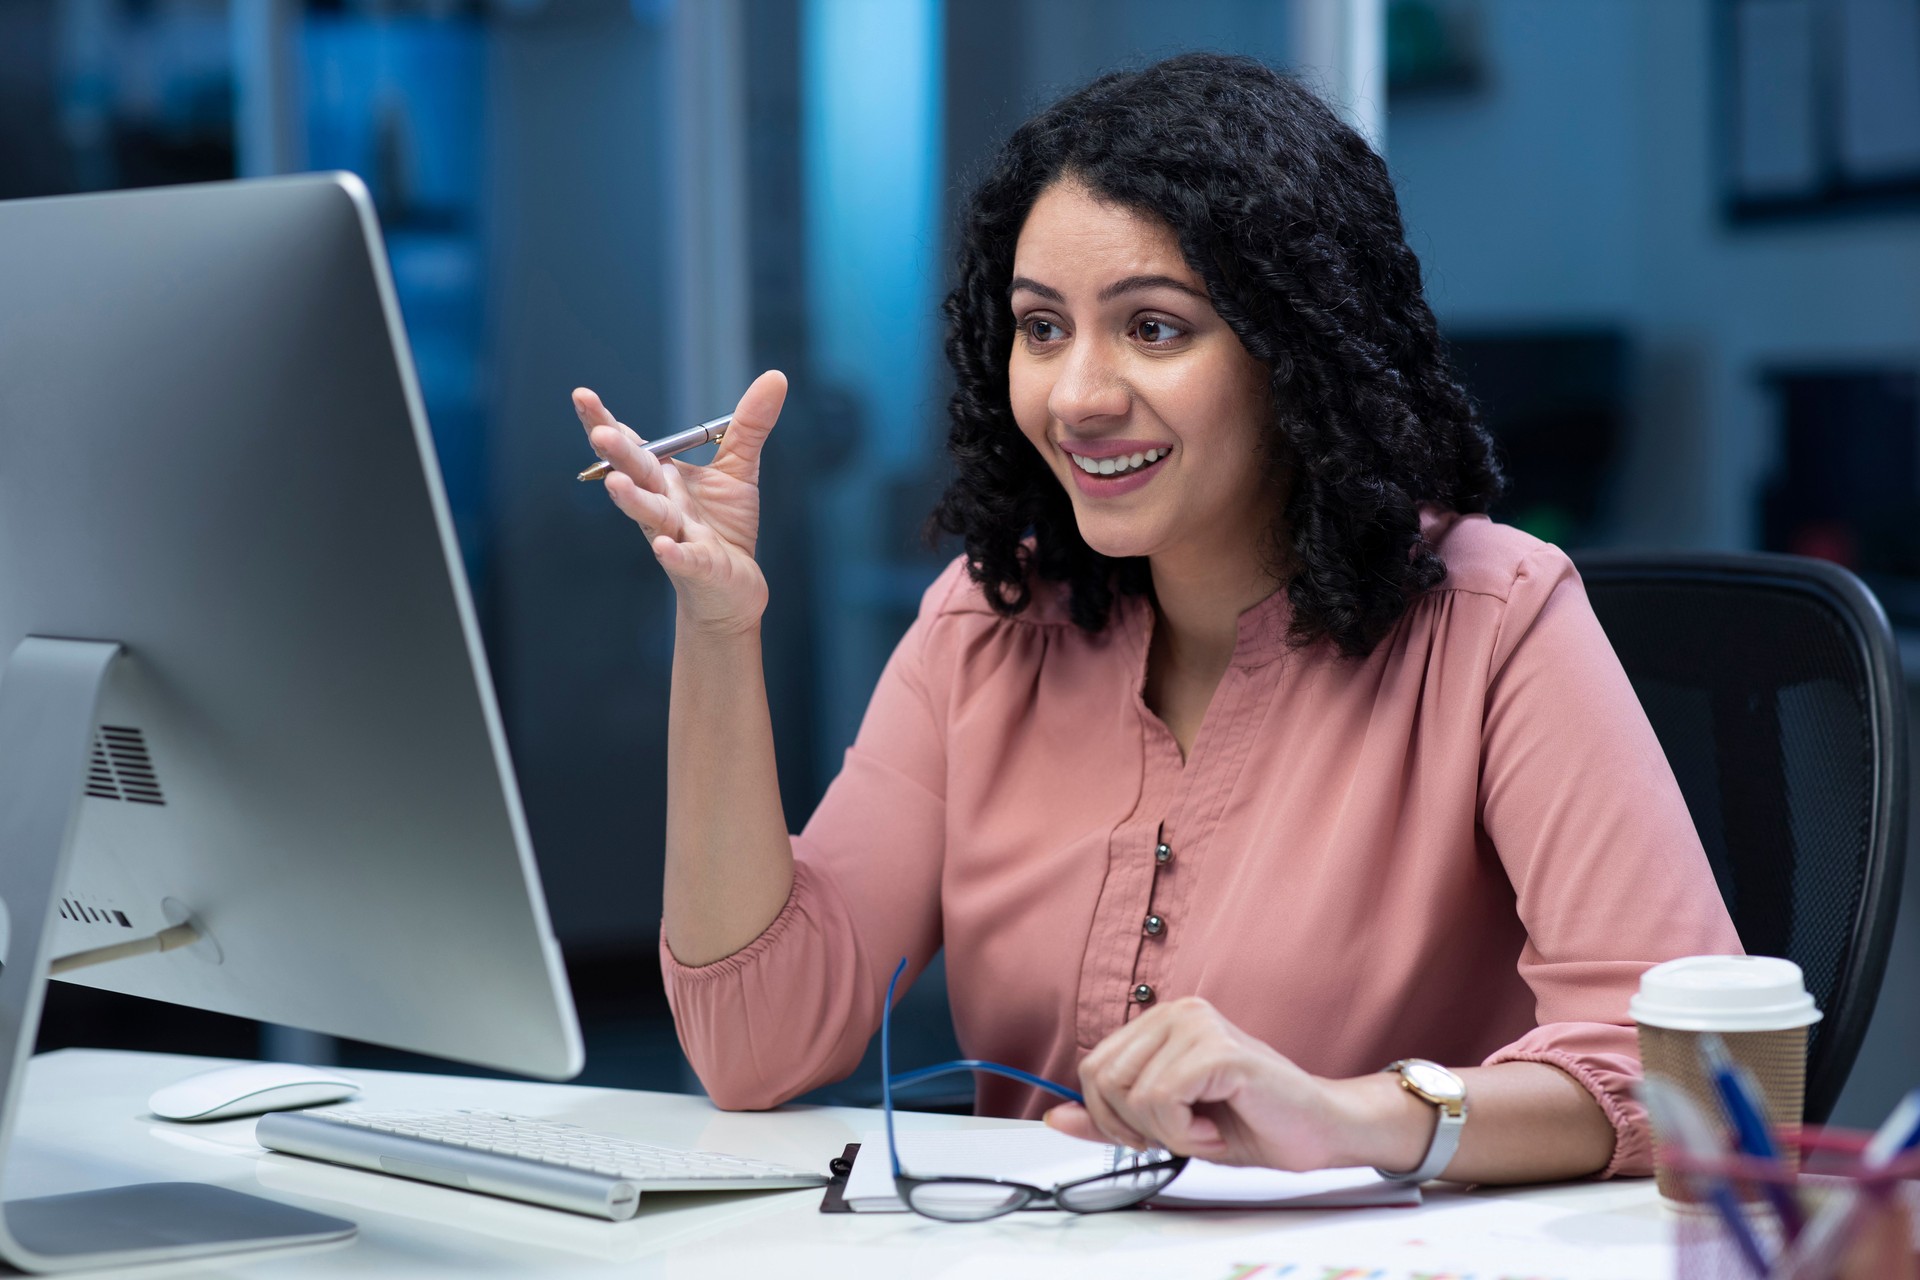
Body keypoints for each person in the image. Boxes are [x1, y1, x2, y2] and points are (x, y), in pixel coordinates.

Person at [573, 52, 1741, 1184]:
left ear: (1297, 353)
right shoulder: (988, 620)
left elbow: (1698, 1076)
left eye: (1155, 327)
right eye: (1042, 327)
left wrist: (1344, 1115)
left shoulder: (1495, 618)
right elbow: (755, 1045)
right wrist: (720, 629)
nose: (1077, 394)